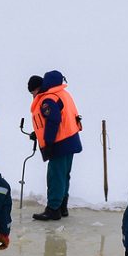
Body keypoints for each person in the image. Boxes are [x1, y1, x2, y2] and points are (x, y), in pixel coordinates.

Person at [29, 70, 82, 220]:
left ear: (38, 88)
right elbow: (60, 118)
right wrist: (38, 134)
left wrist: (48, 141)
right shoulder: (62, 94)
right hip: (70, 139)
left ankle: (53, 209)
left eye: (32, 92)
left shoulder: (48, 99)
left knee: (55, 177)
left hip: (59, 143)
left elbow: (53, 120)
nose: (33, 96)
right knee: (64, 175)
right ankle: (62, 207)